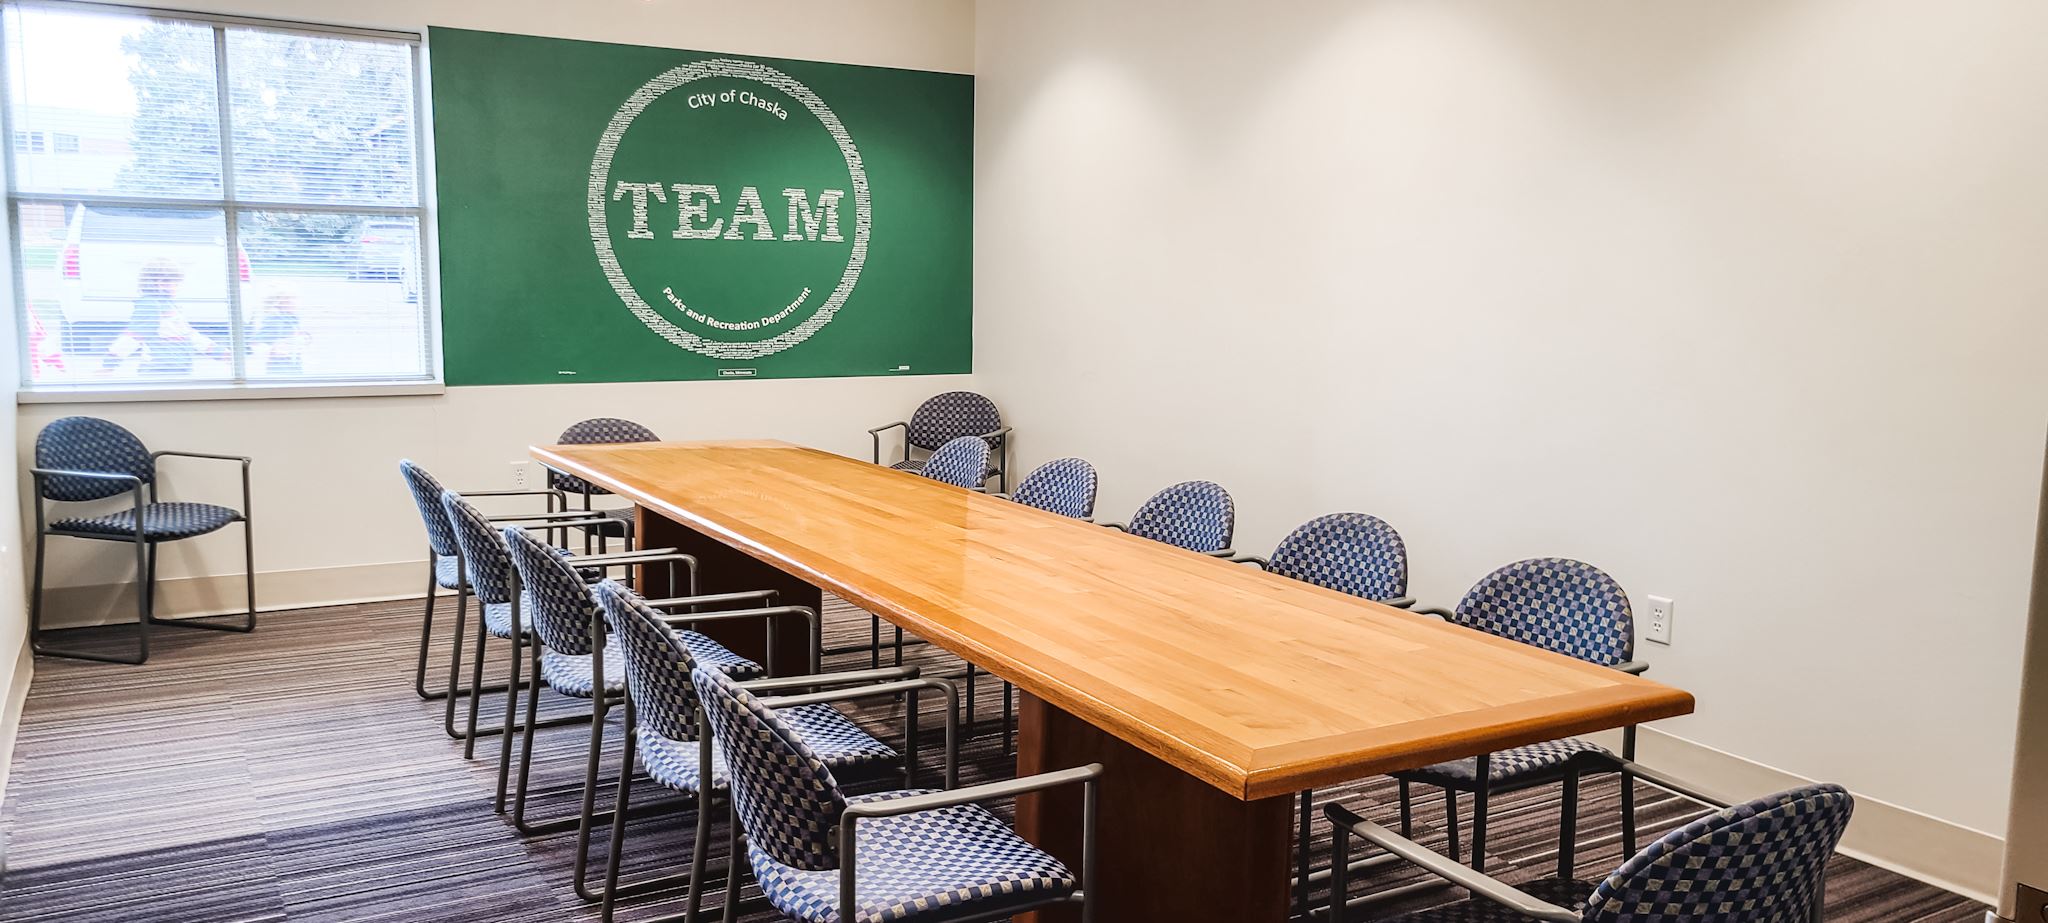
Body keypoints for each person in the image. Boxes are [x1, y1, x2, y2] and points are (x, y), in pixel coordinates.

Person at [111, 258, 215, 377]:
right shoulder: (150, 305)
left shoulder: (171, 305)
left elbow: (190, 335)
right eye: (175, 283)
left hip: (179, 369)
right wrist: (109, 365)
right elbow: (133, 337)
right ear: (161, 283)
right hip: (158, 371)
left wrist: (219, 353)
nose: (178, 287)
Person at [249, 293, 307, 375]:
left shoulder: (293, 318)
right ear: (280, 303)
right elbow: (256, 343)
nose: (296, 303)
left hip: (294, 362)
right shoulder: (274, 319)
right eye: (291, 299)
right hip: (280, 365)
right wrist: (273, 349)